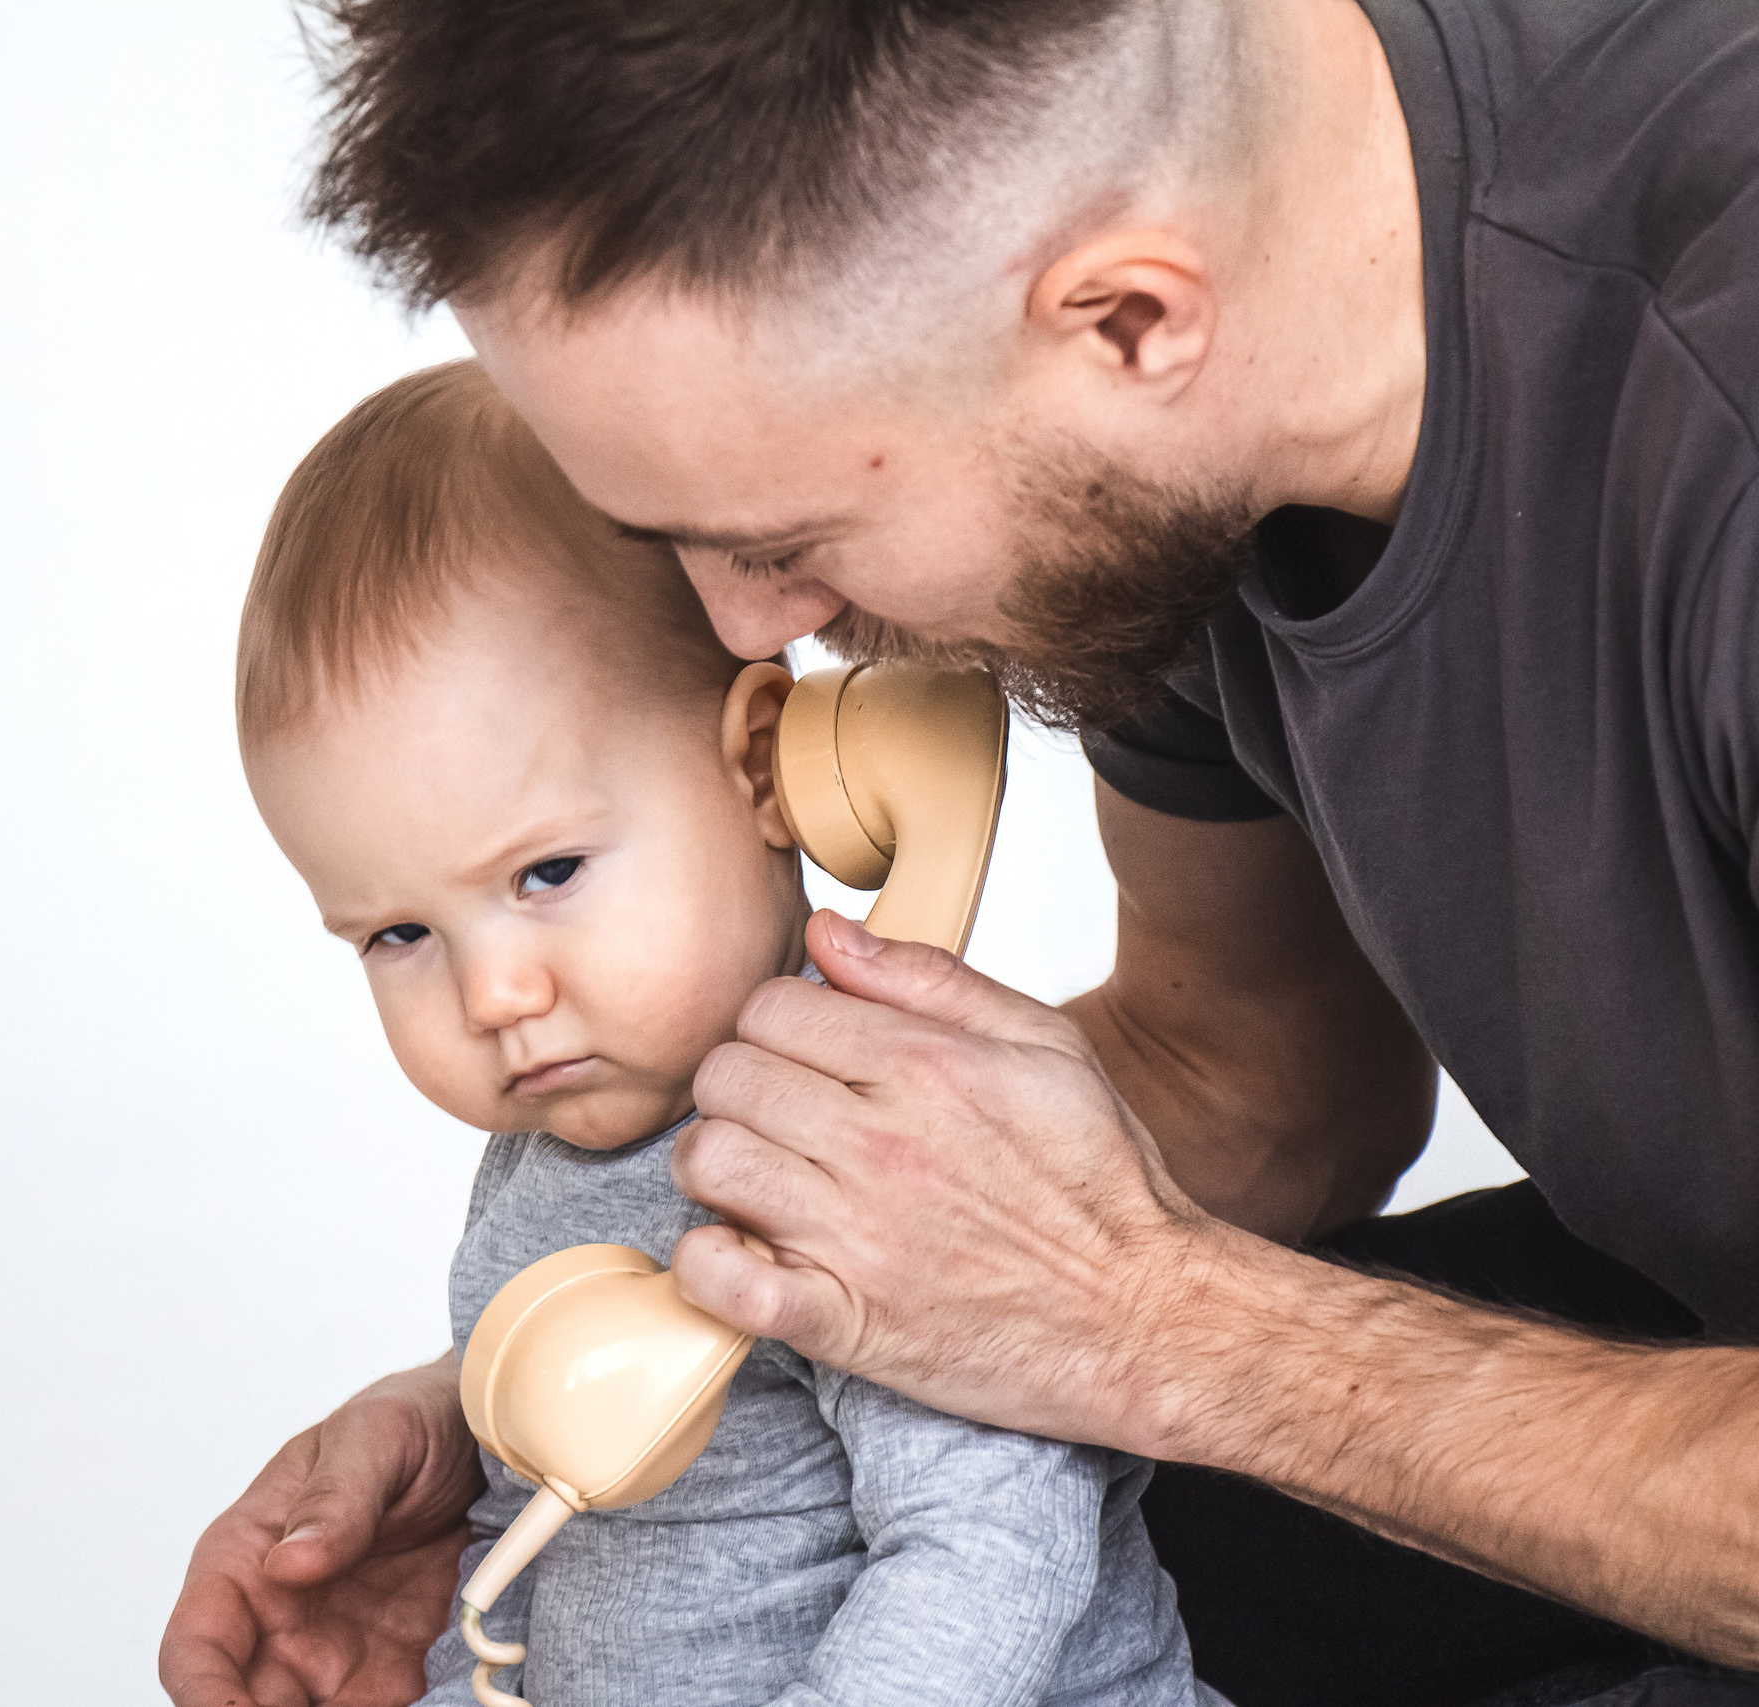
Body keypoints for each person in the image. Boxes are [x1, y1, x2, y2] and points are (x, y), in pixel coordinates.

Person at [162, 1, 1759, 1703]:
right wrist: (590, 1422)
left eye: (782, 535)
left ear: (1123, 319)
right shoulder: (1166, 386)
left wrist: (1157, 1326)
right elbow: (1252, 1075)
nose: (749, 633)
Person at [202, 359, 1215, 1707]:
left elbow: (990, 1555)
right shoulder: (554, 1152)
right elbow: (545, 1533)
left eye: (547, 874)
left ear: (758, 766)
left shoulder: (884, 1149)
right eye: (399, 935)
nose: (492, 994)